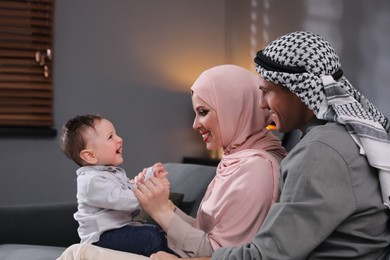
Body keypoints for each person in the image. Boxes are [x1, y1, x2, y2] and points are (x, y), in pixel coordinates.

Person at [150, 31, 390, 260]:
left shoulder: (320, 152)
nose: (262, 105)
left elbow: (267, 256)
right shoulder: (337, 140)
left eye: (266, 92)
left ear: (299, 91)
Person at [56, 64, 287, 259]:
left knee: (78, 254)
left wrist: (157, 209)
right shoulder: (237, 160)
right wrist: (163, 205)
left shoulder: (256, 169)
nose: (195, 124)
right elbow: (204, 232)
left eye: (203, 112)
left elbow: (219, 252)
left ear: (234, 108)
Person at [59, 114, 173, 256]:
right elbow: (124, 200)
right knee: (150, 236)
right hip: (101, 237)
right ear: (90, 156)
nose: (119, 139)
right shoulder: (91, 181)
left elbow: (130, 188)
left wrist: (149, 177)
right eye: (110, 137)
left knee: (156, 232)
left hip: (119, 230)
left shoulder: (110, 173)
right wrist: (149, 195)